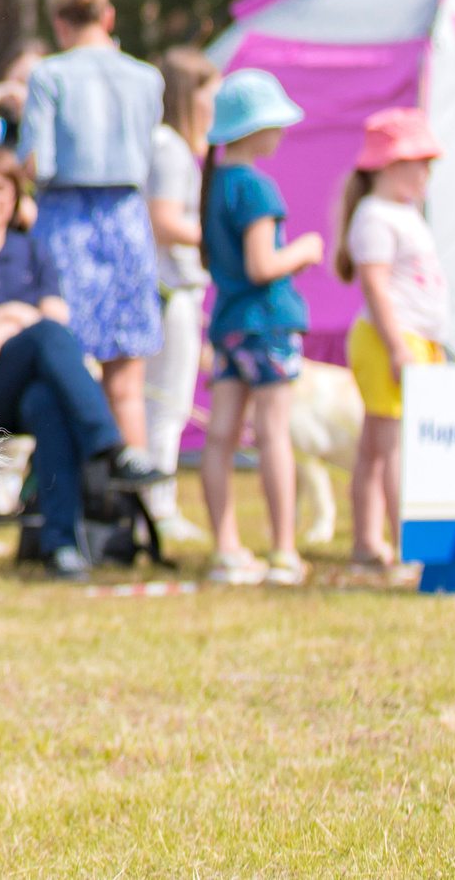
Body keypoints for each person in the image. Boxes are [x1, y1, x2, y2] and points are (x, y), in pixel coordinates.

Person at [0, 147, 155, 581]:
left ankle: (60, 548)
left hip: (24, 392)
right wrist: (10, 316)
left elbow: (57, 318)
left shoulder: (33, 252)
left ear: (15, 199)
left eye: (1, 190)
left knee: (48, 402)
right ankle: (109, 448)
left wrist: (10, 328)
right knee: (45, 335)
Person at [19, 0, 168, 469]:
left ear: (60, 22)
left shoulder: (49, 74)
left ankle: (77, 492)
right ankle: (140, 502)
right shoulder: (147, 76)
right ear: (108, 17)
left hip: (66, 218)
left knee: (69, 362)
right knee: (127, 376)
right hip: (127, 215)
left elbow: (36, 163)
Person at [199, 68, 323, 587]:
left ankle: (227, 549)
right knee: (273, 435)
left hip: (227, 324)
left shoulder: (215, 185)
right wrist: (304, 250)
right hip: (267, 325)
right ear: (253, 129)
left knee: (221, 435)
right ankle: (283, 551)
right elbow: (261, 267)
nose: (281, 132)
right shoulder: (255, 186)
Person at [334, 108, 449, 571]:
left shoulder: (402, 212)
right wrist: (399, 347)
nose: (425, 173)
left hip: (412, 342)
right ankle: (404, 547)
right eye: (417, 161)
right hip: (388, 342)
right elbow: (376, 286)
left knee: (382, 446)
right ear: (387, 164)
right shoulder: (376, 216)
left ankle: (371, 542)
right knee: (390, 447)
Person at [143, 45, 221, 553]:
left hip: (170, 290)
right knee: (168, 405)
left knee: (163, 404)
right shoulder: (170, 149)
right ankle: (160, 507)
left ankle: (157, 504)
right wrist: (220, 233)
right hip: (170, 291)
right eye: (212, 96)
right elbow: (164, 219)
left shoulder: (164, 145)